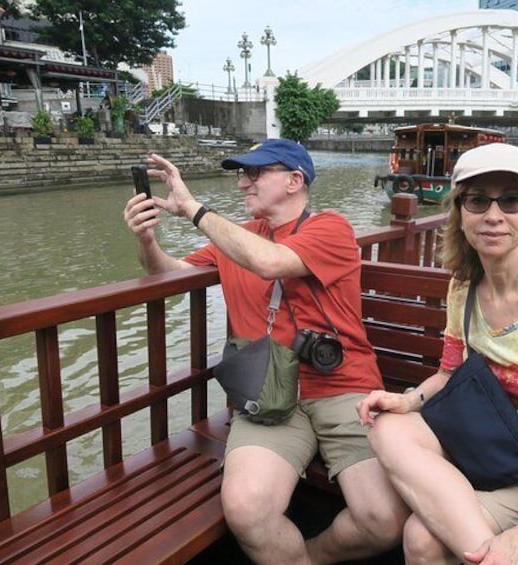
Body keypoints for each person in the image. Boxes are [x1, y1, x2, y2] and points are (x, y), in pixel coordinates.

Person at [123, 139, 408, 564]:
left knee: (382, 519)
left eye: (254, 173)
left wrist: (194, 209)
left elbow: (271, 262)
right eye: (241, 174)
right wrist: (147, 239)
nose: (243, 184)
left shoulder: (331, 228)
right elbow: (169, 272)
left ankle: (308, 556)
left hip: (344, 390)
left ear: (295, 181)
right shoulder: (238, 238)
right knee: (246, 509)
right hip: (269, 394)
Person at [357, 143, 518, 565]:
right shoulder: (464, 286)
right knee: (386, 426)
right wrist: (406, 400)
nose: (494, 215)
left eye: (511, 200)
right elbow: (448, 373)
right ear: (461, 212)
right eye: (478, 200)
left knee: (422, 537)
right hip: (490, 440)